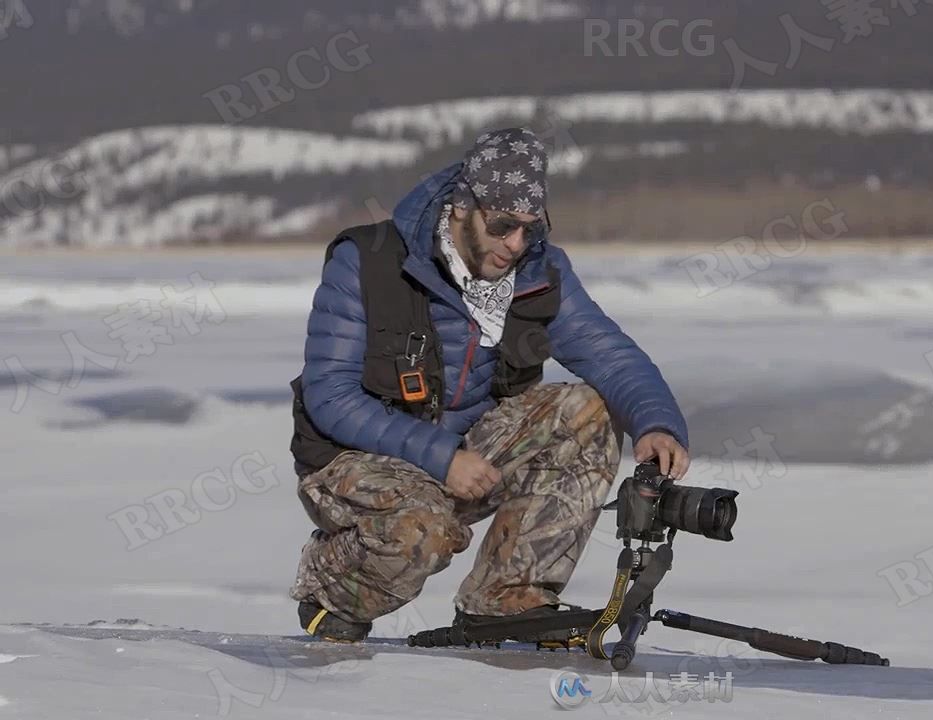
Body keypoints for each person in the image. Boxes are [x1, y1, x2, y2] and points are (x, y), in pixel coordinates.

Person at [286, 127, 690, 643]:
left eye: (530, 228)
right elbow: (330, 396)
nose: (516, 244)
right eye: (502, 226)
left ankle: (507, 597)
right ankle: (330, 583)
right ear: (461, 207)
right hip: (351, 461)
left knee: (586, 408)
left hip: (466, 458)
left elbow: (609, 354)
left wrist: (656, 423)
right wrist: (441, 458)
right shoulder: (367, 261)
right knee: (422, 531)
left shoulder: (539, 271)